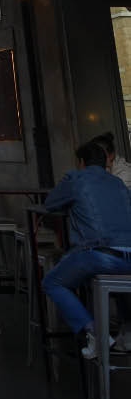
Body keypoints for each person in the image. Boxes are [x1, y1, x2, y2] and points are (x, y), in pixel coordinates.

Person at [42, 139, 131, 358]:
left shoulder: (76, 179)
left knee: (53, 282)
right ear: (105, 163)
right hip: (128, 255)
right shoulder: (118, 183)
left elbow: (50, 203)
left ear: (81, 162)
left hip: (99, 254)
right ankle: (127, 333)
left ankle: (95, 332)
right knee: (118, 280)